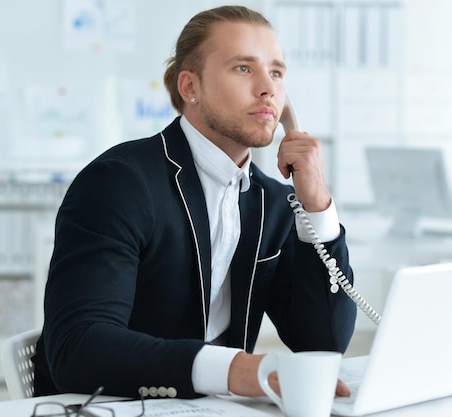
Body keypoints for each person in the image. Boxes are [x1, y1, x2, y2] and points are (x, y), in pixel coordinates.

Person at [32, 5, 356, 400]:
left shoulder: (273, 201)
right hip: (113, 404)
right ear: (190, 88)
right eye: (243, 68)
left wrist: (318, 207)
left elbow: (322, 344)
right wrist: (234, 369)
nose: (267, 88)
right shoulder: (119, 183)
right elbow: (78, 348)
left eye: (276, 72)